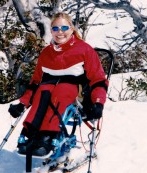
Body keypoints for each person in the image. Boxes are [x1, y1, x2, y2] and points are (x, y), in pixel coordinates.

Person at [8, 12, 108, 158]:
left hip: (77, 93)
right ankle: (30, 134)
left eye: (64, 28)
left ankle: (48, 137)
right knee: (43, 89)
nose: (59, 32)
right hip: (49, 90)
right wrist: (22, 103)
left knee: (62, 89)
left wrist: (98, 103)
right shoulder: (46, 53)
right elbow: (36, 82)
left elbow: (98, 79)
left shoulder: (85, 49)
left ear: (72, 28)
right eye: (55, 29)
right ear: (51, 31)